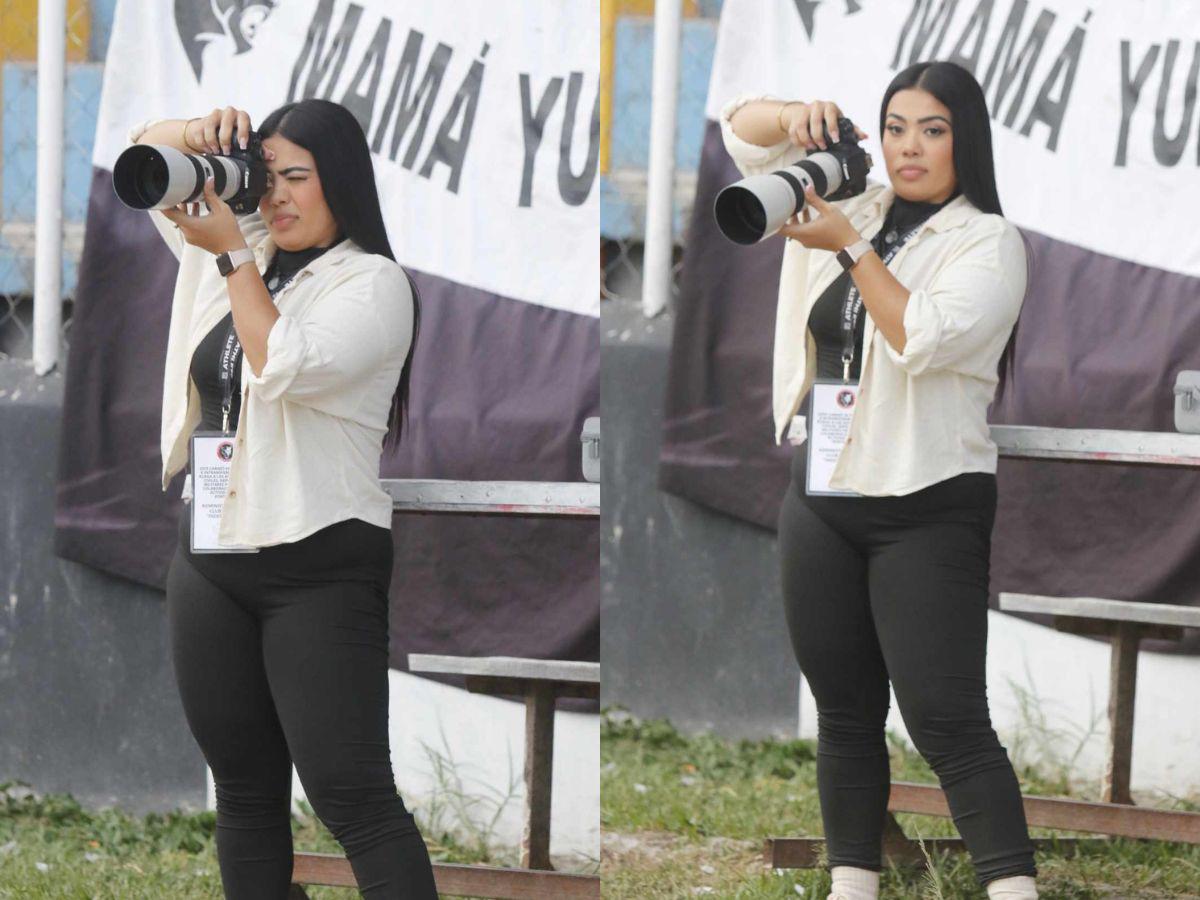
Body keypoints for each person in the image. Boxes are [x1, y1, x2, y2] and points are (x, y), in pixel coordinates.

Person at [722, 62, 1038, 900]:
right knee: (845, 713)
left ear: (966, 142)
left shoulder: (989, 242)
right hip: (824, 495)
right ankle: (851, 888)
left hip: (927, 503)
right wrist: (795, 115)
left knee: (948, 723)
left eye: (933, 130)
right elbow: (740, 135)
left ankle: (1014, 890)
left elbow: (922, 336)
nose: (909, 147)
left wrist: (850, 250)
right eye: (896, 128)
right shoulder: (853, 203)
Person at [128, 100, 439, 899]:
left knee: (353, 798)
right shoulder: (242, 245)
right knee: (243, 790)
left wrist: (232, 254)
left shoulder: (375, 284)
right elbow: (147, 155)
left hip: (318, 563)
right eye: (265, 178)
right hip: (212, 557)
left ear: (342, 181)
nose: (276, 198)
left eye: (297, 177)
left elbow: (283, 364)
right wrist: (196, 136)